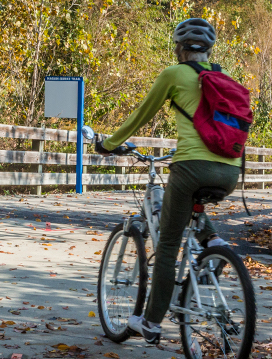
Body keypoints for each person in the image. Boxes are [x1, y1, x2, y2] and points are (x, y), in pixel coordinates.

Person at [94, 18, 241, 344]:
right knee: (192, 210)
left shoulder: (174, 74)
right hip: (230, 170)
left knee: (168, 245)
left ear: (179, 47)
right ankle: (215, 247)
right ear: (208, 49)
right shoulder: (223, 78)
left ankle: (151, 322)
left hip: (191, 169)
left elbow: (139, 116)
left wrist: (106, 143)